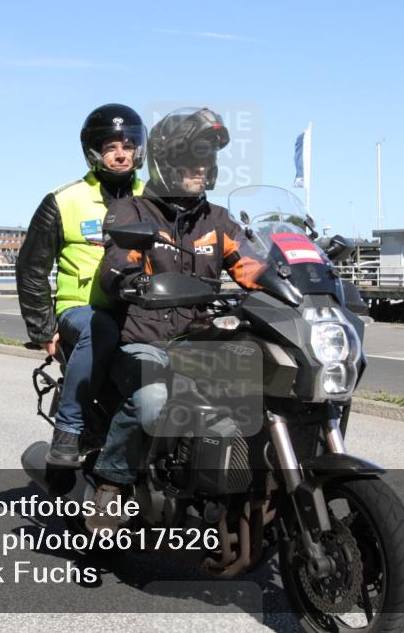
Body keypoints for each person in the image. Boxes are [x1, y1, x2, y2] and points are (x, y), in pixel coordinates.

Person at [85, 107, 267, 531]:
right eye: (191, 159)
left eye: (207, 159)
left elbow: (252, 268)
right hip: (146, 341)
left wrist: (298, 283)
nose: (201, 168)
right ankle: (111, 482)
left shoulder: (219, 220)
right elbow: (115, 266)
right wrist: (131, 282)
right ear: (166, 162)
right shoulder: (132, 212)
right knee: (153, 400)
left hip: (202, 345)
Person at [17, 104, 147, 466]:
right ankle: (69, 429)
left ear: (139, 149)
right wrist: (43, 328)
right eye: (110, 147)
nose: (120, 153)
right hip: (82, 310)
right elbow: (31, 267)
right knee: (100, 327)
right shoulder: (64, 200)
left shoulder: (156, 198)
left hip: (144, 309)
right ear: (94, 152)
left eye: (127, 145)